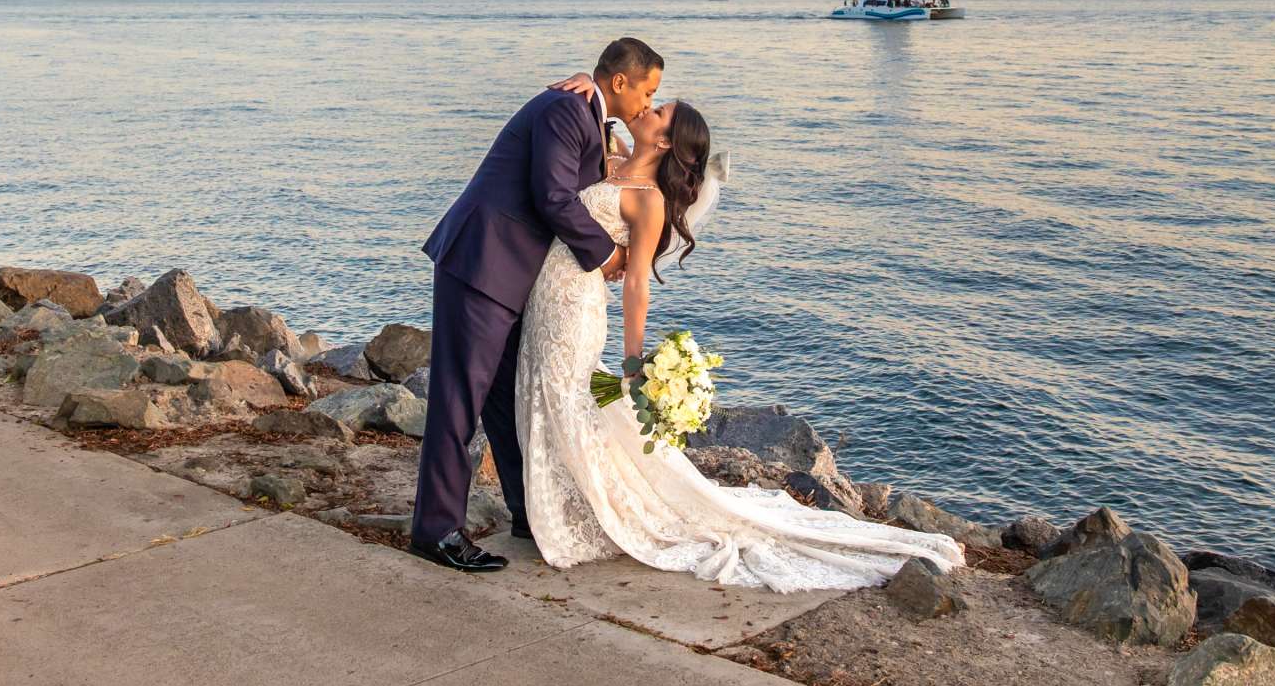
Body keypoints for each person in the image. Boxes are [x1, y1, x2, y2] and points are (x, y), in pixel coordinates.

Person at [510, 92, 964, 590]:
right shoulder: (612, 157)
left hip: (577, 308)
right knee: (547, 395)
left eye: (659, 112)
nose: (650, 107)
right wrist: (586, 83)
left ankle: (587, 512)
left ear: (664, 140)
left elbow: (637, 282)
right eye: (654, 101)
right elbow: (596, 113)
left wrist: (633, 360)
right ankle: (555, 503)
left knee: (565, 399)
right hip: (548, 294)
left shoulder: (649, 199)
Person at [408, 37, 661, 572]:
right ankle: (437, 530)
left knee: (506, 400)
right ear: (621, 81)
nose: (647, 102)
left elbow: (596, 179)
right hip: (482, 265)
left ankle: (527, 510)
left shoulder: (587, 114)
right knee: (459, 400)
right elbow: (552, 197)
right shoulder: (567, 109)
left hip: (513, 278)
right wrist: (605, 252)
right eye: (648, 90)